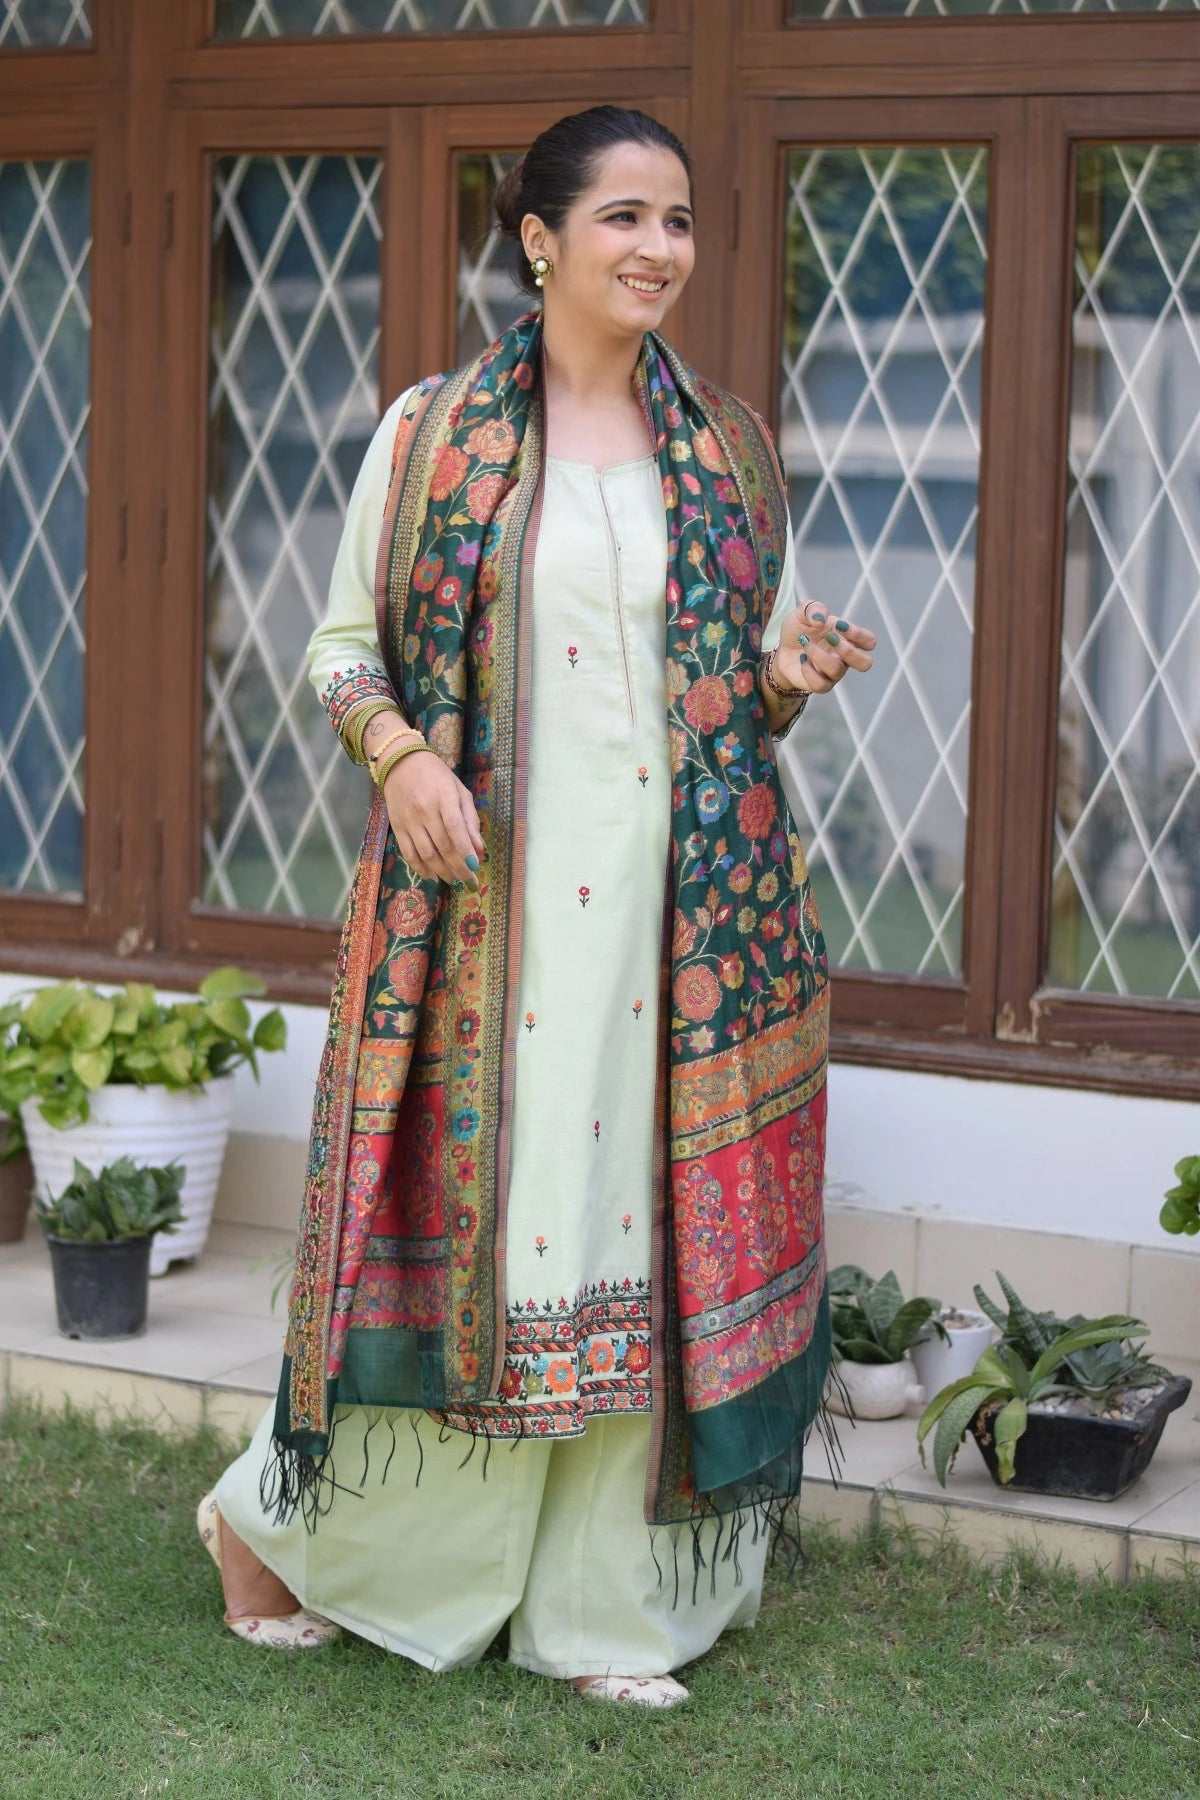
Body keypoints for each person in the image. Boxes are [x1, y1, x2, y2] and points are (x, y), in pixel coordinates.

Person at [198, 104, 876, 1710]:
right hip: (485, 923)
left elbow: (728, 693)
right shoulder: (433, 433)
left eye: (682, 221)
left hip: (680, 932)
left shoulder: (724, 445)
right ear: (541, 239)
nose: (661, 249)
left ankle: (600, 1609)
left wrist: (784, 678)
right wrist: (402, 755)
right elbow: (342, 642)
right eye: (627, 217)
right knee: (490, 1243)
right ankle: (274, 1530)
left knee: (630, 1233)